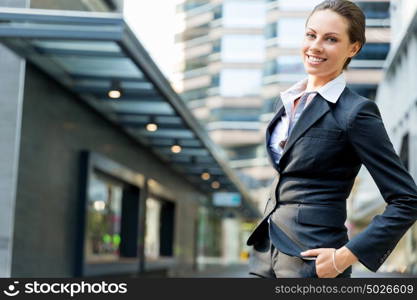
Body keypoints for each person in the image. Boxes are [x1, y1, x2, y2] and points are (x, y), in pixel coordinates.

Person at [246, 0, 417, 278]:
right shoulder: (289, 102)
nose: (315, 46)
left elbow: (407, 199)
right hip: (265, 252)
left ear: (353, 48)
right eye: (311, 35)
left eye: (331, 39)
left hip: (313, 261)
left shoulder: (356, 112)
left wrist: (344, 257)